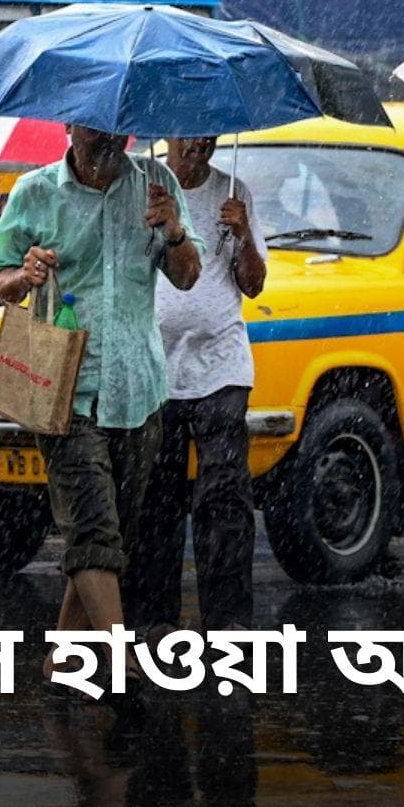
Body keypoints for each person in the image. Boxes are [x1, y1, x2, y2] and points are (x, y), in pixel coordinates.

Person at [0, 125, 202, 686]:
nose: (107, 138)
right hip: (65, 387)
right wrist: (24, 275)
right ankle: (119, 655)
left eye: (116, 127)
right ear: (69, 127)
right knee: (92, 528)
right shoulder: (34, 193)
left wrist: (173, 232)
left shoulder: (158, 184)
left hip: (139, 387)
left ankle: (62, 652)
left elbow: (187, 277)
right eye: (92, 126)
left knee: (111, 535)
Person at [131, 136, 267, 641]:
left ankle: (229, 623)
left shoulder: (235, 193)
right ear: (168, 134)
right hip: (155, 368)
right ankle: (153, 619)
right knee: (153, 499)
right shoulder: (140, 187)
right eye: (190, 136)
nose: (200, 146)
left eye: (209, 136)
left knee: (224, 497)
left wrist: (245, 233)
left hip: (221, 366)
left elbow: (253, 284)